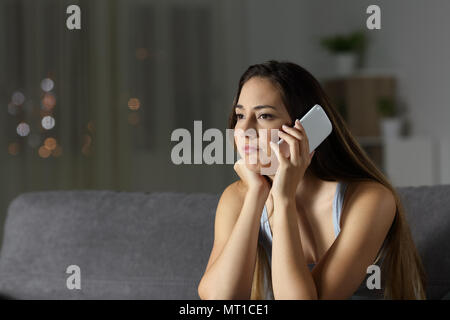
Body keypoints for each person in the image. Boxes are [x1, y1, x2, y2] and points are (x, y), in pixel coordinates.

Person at [197, 60, 426, 300]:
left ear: (306, 129)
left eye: (264, 115)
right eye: (240, 115)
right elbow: (219, 299)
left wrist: (284, 199)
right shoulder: (239, 197)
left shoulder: (371, 200)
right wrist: (256, 194)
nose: (244, 129)